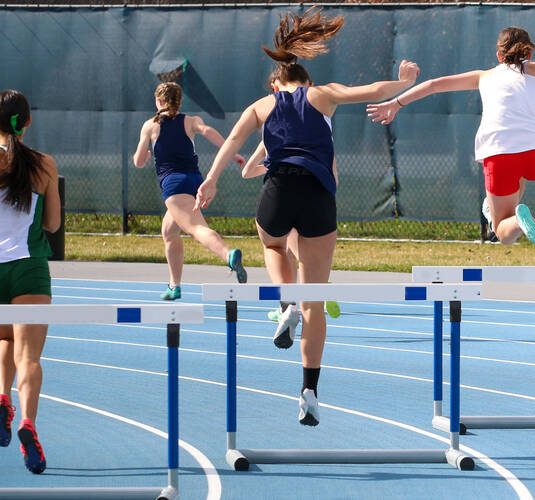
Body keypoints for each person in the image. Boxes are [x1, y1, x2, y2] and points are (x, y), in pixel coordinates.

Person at [195, 7, 419, 426]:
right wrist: (404, 83)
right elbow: (370, 90)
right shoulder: (324, 95)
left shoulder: (260, 106)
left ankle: (286, 304)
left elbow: (232, 143)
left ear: (276, 84)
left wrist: (210, 181)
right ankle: (309, 392)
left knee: (272, 242)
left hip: (279, 189)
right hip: (319, 196)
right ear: (308, 82)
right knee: (315, 299)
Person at [367, 18, 535, 247]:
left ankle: (517, 221)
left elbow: (433, 85)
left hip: (500, 154)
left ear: (498, 56)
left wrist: (395, 103)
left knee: (502, 232)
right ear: (529, 53)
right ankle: (514, 211)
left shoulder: (483, 76)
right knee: (519, 179)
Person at [133, 82, 249, 300]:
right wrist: (232, 153)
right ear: (179, 101)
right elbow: (208, 131)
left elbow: (138, 161)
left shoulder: (150, 126)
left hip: (174, 184)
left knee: (196, 228)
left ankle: (228, 254)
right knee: (169, 232)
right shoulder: (191, 120)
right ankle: (174, 286)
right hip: (194, 181)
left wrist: (146, 155)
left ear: (158, 101)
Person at [0, 89, 60, 474]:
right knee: (30, 357)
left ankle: (2, 398)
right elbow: (52, 224)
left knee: (4, 338)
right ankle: (27, 422)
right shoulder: (44, 165)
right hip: (29, 269)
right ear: (28, 122)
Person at [241, 142, 341, 321]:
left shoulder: (273, 135)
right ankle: (320, 283)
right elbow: (334, 177)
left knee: (277, 249)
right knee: (300, 255)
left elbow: (246, 172)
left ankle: (287, 305)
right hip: (316, 194)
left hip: (281, 191)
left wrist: (271, 165)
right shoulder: (321, 134)